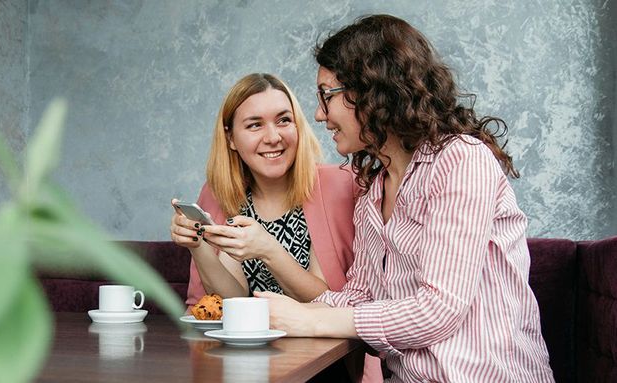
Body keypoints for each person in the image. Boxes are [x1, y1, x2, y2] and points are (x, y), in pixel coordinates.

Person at [255, 15, 555, 382]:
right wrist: (275, 311)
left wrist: (311, 319)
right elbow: (360, 298)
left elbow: (438, 309)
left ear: (372, 89)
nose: (318, 115)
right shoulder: (372, 192)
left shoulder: (460, 159)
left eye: (325, 95)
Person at [169, 73, 382, 381]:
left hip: (329, 367)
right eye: (255, 125)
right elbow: (233, 302)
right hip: (245, 364)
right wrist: (199, 245)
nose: (273, 137)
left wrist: (268, 249)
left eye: (283, 120)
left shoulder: (340, 185)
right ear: (230, 138)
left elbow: (330, 302)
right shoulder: (218, 194)